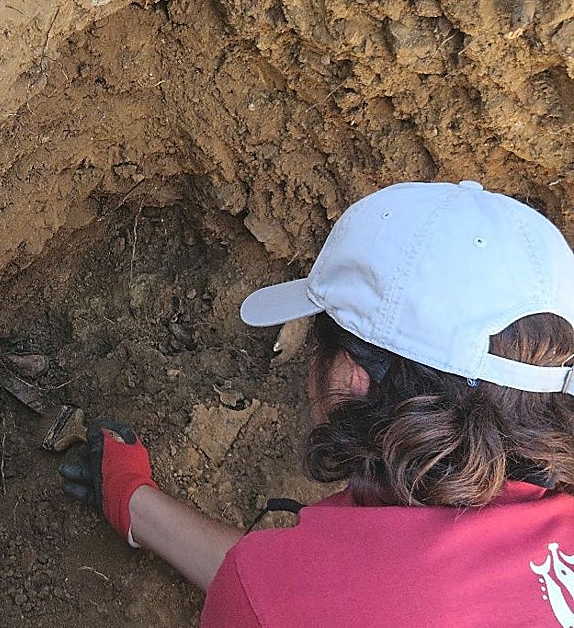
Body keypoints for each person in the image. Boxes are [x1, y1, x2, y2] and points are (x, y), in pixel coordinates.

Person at [60, 180, 574, 626]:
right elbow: (311, 593)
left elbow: (289, 604)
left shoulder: (291, 604)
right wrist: (135, 503)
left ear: (352, 379)